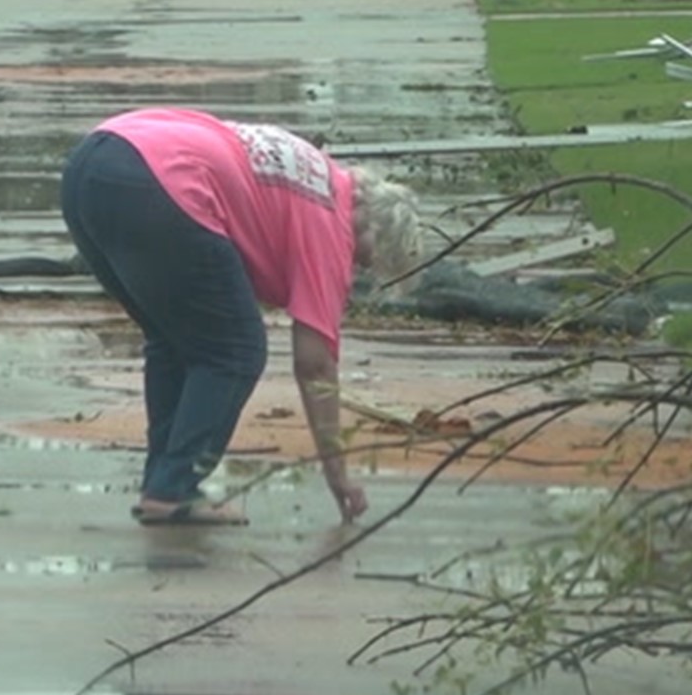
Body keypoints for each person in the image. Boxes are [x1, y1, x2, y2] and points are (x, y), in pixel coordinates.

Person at [59, 108, 422, 527]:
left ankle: (163, 485)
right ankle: (173, 488)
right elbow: (314, 363)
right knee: (236, 352)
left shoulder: (313, 172)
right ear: (370, 223)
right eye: (366, 260)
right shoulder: (332, 223)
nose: (354, 269)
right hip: (160, 181)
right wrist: (337, 473)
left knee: (174, 341)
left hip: (92, 164)